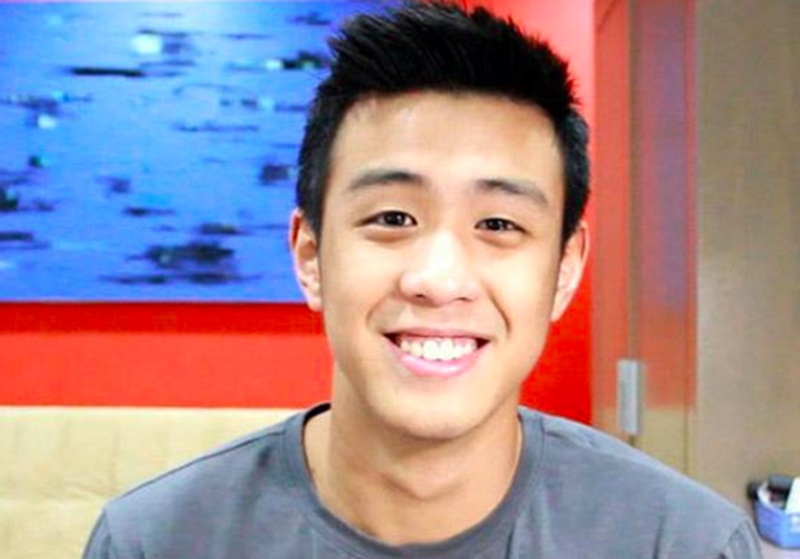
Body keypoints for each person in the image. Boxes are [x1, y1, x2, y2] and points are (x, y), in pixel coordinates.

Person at [83, 2, 762, 557]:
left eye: (498, 224)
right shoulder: (154, 541)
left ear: (564, 269)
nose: (439, 279)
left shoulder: (683, 543)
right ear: (311, 256)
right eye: (393, 217)